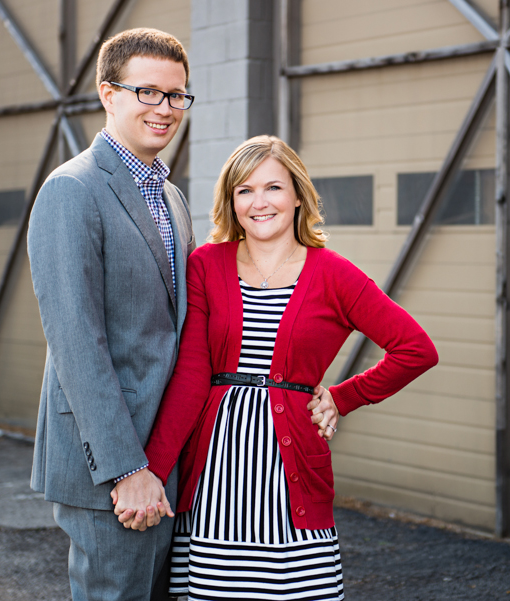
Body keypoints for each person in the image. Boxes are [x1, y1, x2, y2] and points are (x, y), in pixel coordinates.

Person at [126, 135, 439, 600]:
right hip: (216, 475)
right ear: (231, 203)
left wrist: (343, 396)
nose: (259, 202)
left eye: (273, 187)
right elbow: (191, 376)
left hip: (291, 473)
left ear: (297, 195)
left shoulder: (334, 273)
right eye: (244, 190)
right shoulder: (206, 265)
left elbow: (416, 349)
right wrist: (153, 469)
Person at [26, 28, 195, 601]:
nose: (165, 109)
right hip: (113, 467)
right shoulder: (72, 190)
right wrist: (127, 469)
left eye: (176, 95)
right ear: (108, 93)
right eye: (147, 92)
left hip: (167, 455)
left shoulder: (170, 196)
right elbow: (77, 342)